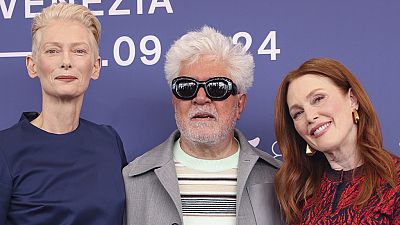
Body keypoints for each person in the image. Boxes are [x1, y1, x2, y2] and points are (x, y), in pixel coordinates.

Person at [123, 26, 283, 225]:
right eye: (186, 87)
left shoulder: (278, 179)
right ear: (175, 101)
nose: (200, 98)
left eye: (217, 87)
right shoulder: (132, 180)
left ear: (239, 104)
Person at [0, 3, 127, 225]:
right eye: (52, 51)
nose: (66, 62)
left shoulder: (109, 142)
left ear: (95, 67)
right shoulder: (5, 149)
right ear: (32, 65)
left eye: (79, 51)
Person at [274, 57, 400, 224]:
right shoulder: (300, 194)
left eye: (318, 99)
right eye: (298, 113)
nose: (310, 116)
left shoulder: (394, 180)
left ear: (352, 99)